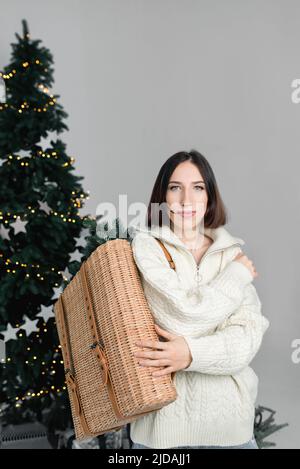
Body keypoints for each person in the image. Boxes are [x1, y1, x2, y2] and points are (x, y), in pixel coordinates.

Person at [129, 149, 269, 449]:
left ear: (209, 197)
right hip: (160, 430)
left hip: (231, 429)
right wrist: (233, 278)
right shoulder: (147, 247)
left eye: (198, 188)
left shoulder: (230, 254)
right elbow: (179, 317)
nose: (186, 200)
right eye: (175, 188)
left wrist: (189, 354)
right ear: (162, 197)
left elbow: (245, 342)